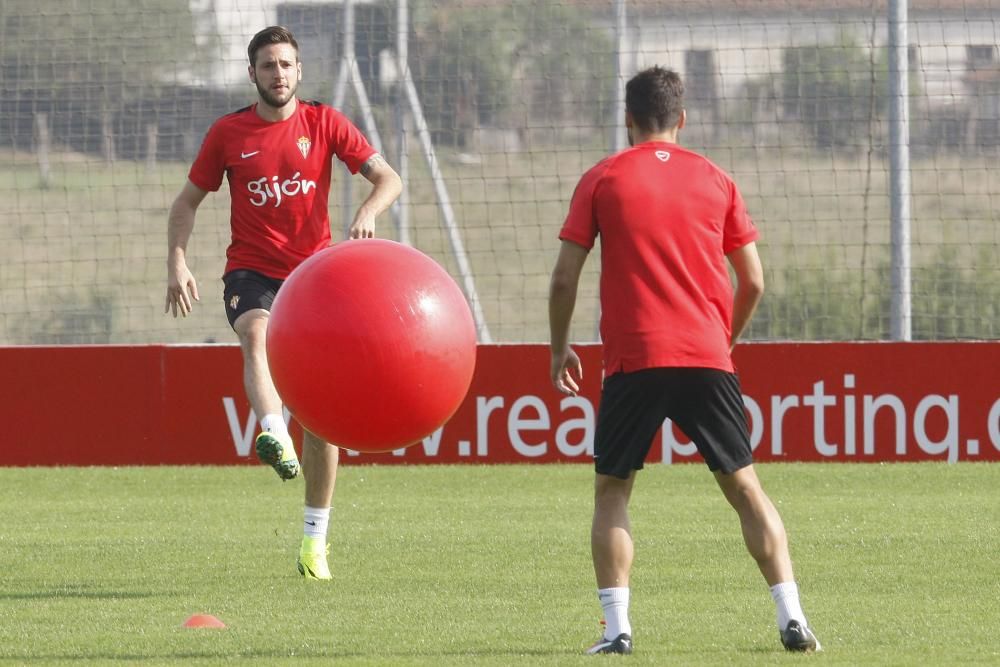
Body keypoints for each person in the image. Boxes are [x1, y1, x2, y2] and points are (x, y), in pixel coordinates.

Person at [548, 66, 820, 655]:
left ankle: (617, 630)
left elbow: (563, 280)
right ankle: (792, 616)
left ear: (627, 121)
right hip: (706, 355)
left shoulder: (602, 178)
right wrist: (725, 339)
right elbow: (754, 279)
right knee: (746, 488)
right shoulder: (716, 180)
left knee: (613, 492)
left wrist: (558, 346)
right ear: (683, 119)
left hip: (634, 360)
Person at [164, 26, 402, 580]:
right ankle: (272, 430)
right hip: (251, 272)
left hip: (315, 279)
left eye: (287, 65)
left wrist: (369, 210)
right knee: (255, 331)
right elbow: (186, 202)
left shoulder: (324, 123)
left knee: (321, 415)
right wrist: (177, 259)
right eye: (268, 65)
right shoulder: (228, 133)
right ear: (253, 74)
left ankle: (314, 542)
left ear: (299, 72)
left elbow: (389, 178)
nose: (278, 74)